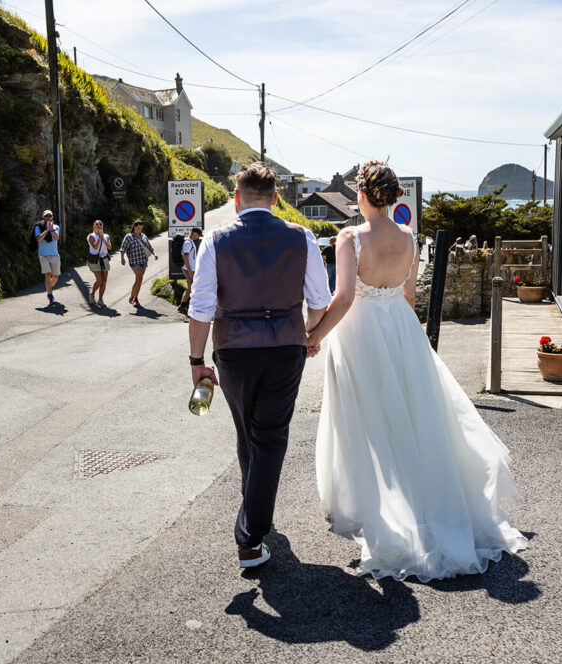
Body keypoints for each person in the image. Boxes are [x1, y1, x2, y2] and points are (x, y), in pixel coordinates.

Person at [305, 161, 528, 582]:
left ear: (364, 194)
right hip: (402, 331)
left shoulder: (349, 237)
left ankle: (381, 509)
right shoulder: (410, 237)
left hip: (361, 333)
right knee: (411, 416)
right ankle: (424, 501)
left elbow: (346, 297)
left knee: (367, 421)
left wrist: (313, 335)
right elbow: (408, 299)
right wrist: (400, 337)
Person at [188, 163, 331, 569]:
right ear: (275, 199)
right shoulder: (302, 237)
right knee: (267, 437)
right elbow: (320, 301)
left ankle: (251, 526)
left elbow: (200, 309)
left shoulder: (216, 241)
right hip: (286, 348)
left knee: (248, 433)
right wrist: (308, 334)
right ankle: (252, 533)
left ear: (236, 199)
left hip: (233, 350)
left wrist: (196, 362)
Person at [119, 218, 158, 307]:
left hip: (143, 260)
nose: (140, 230)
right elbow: (123, 248)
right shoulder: (129, 237)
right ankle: (135, 299)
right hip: (134, 261)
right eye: (138, 228)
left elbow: (149, 246)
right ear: (134, 227)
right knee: (139, 278)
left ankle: (132, 296)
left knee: (138, 279)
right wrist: (122, 258)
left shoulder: (143, 236)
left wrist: (154, 254)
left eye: (141, 228)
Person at [35, 209, 61, 305]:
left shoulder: (56, 227)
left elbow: (57, 238)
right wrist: (46, 230)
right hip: (43, 254)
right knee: (47, 274)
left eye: (50, 216)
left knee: (55, 276)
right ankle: (50, 295)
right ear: (43, 217)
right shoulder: (38, 226)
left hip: (54, 254)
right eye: (46, 216)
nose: (48, 218)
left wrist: (52, 229)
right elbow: (39, 239)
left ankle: (48, 287)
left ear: (52, 217)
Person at [177, 226, 202, 315]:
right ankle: (193, 309)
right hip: (189, 269)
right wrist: (190, 271)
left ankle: (182, 306)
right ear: (194, 233)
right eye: (198, 235)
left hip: (189, 269)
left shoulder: (190, 242)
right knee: (193, 289)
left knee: (190, 289)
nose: (198, 237)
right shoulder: (188, 243)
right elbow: (185, 258)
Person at [87, 219, 111, 307]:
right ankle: (92, 294)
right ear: (94, 226)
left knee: (104, 281)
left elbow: (109, 247)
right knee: (99, 280)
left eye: (100, 224)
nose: (99, 226)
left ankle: (100, 299)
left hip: (104, 259)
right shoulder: (91, 236)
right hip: (94, 260)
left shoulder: (106, 236)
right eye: (97, 224)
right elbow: (95, 247)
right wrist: (99, 238)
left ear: (102, 227)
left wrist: (103, 238)